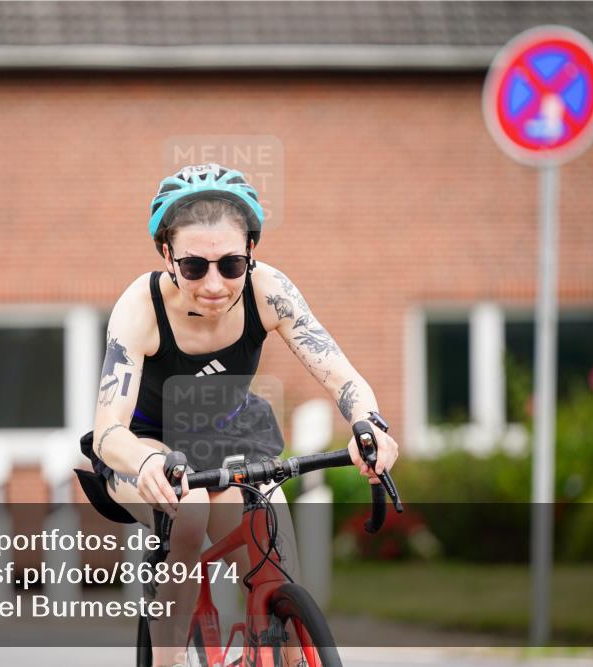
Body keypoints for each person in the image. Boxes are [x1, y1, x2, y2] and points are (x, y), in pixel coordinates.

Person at [76, 163, 399, 667]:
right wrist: (144, 464)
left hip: (227, 436)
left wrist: (369, 424)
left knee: (271, 542)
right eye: (193, 266)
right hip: (143, 447)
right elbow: (108, 428)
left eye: (230, 264)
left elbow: (342, 376)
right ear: (166, 255)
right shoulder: (140, 307)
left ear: (251, 252)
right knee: (191, 511)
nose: (214, 284)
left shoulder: (268, 290)